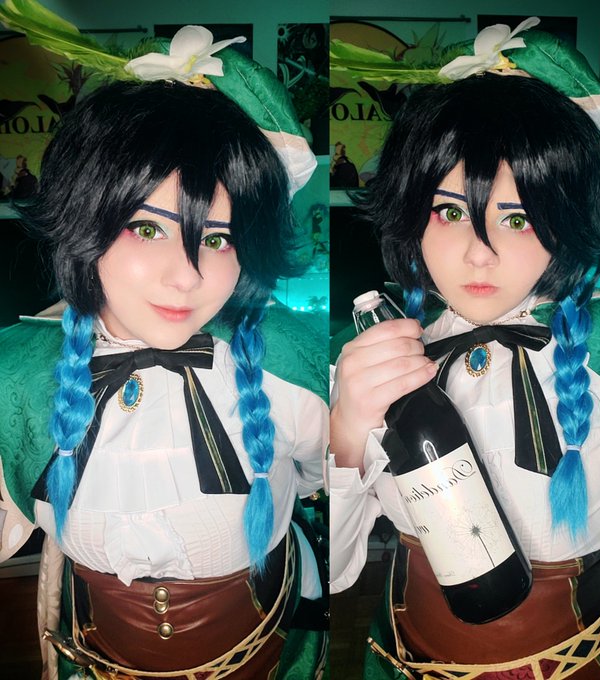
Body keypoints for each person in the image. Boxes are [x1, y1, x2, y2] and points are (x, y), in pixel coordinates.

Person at [0, 9, 328, 680]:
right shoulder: (15, 378)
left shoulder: (295, 365)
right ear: (85, 220)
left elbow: (329, 476)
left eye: (218, 239)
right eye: (148, 229)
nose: (187, 276)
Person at [329, 18, 600, 680]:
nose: (479, 254)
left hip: (585, 658)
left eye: (518, 218)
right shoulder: (367, 354)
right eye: (450, 213)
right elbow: (334, 570)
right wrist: (344, 433)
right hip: (409, 656)